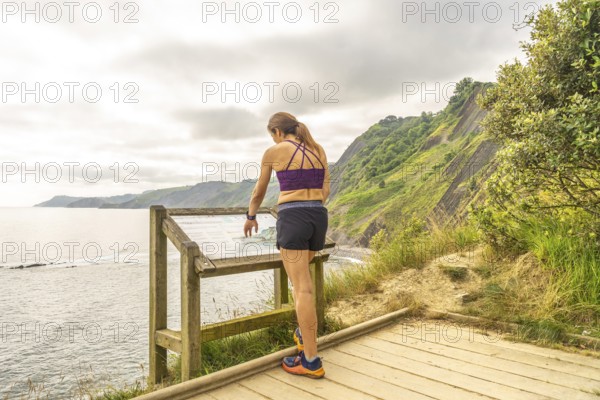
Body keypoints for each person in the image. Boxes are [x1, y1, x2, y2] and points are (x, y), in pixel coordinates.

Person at [243, 111, 330, 379]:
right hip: (318, 216)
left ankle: (311, 361)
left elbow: (259, 190)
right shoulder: (318, 149)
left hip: (293, 217)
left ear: (277, 133)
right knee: (305, 283)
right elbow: (326, 191)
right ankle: (304, 336)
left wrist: (251, 216)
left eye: (272, 135)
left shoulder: (274, 151)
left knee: (301, 289)